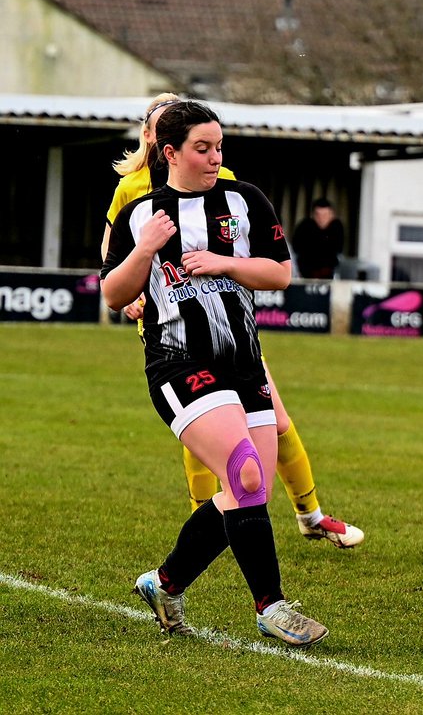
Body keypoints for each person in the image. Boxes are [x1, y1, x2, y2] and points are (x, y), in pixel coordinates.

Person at [101, 100, 327, 645]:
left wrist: (225, 264)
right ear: (171, 152)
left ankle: (165, 582)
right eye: (202, 148)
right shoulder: (142, 212)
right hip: (179, 364)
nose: (214, 157)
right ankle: (271, 607)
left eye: (219, 146)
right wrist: (146, 250)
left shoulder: (245, 199)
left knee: (245, 491)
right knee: (245, 471)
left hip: (244, 364)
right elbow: (113, 293)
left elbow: (279, 274)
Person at [292, 198, 345, 279]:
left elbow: (338, 251)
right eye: (318, 215)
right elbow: (296, 250)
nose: (321, 219)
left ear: (332, 215)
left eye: (325, 215)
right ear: (313, 215)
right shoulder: (304, 227)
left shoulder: (337, 227)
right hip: (305, 274)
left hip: (330, 274)